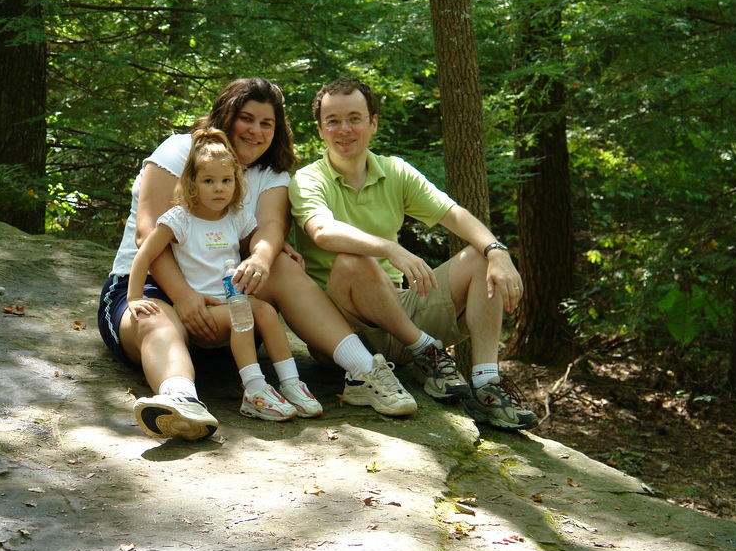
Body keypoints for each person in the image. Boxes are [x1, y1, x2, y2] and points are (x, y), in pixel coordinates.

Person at [98, 77, 416, 443]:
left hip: (226, 309)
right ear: (225, 115)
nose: (256, 130)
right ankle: (180, 401)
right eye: (246, 118)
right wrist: (183, 296)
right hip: (151, 288)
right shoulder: (179, 150)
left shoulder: (272, 173)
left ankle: (364, 371)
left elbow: (268, 228)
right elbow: (147, 234)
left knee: (280, 262)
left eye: (267, 123)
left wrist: (264, 257)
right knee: (159, 323)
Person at [288, 77, 539, 430]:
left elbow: (455, 215)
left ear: (373, 123)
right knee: (353, 258)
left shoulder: (395, 171)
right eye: (333, 121)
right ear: (320, 130)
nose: (344, 129)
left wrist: (497, 251)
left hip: (398, 311)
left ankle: (486, 385)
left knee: (481, 257)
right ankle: (426, 351)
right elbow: (323, 232)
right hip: (343, 330)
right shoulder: (308, 179)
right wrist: (389, 248)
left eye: (355, 118)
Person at [126, 129, 322, 427]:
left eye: (226, 181)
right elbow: (145, 254)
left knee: (266, 311)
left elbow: (258, 236)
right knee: (243, 312)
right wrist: (134, 297)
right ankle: (254, 390)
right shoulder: (180, 218)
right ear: (192, 183)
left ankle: (291, 383)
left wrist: (281, 245)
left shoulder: (236, 216)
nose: (219, 189)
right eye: (209, 181)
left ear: (236, 182)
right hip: (200, 312)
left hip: (229, 303)